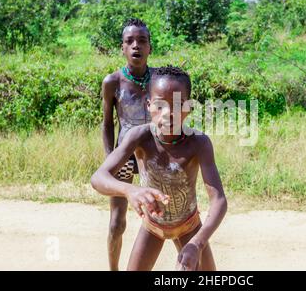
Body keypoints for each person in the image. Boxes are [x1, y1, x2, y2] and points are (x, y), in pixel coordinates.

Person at [91, 66, 228, 271]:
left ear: (188, 107)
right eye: (159, 106)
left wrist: (197, 244)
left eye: (177, 105)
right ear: (148, 105)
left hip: (189, 227)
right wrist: (130, 190)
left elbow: (219, 201)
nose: (168, 113)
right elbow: (98, 178)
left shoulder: (198, 143)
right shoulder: (139, 137)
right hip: (152, 227)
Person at [101, 18, 153, 270]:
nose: (136, 46)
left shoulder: (160, 81)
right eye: (129, 41)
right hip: (123, 155)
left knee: (161, 216)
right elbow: (108, 124)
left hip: (153, 154)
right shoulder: (112, 82)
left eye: (142, 41)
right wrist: (109, 159)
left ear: (150, 48)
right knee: (117, 223)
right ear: (122, 48)